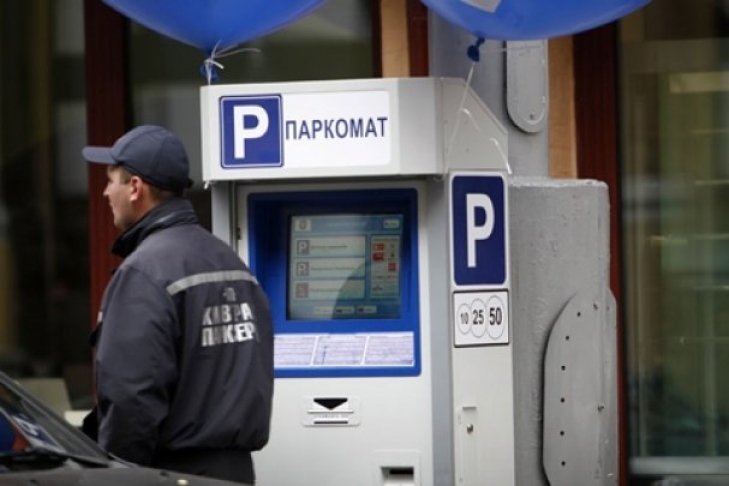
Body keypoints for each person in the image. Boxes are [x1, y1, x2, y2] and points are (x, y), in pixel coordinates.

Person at [81, 125, 274, 484]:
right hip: (235, 472)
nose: (105, 192)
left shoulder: (144, 272)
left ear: (135, 188)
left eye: (110, 181)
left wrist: (119, 477)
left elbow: (130, 400)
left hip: (171, 473)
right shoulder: (232, 264)